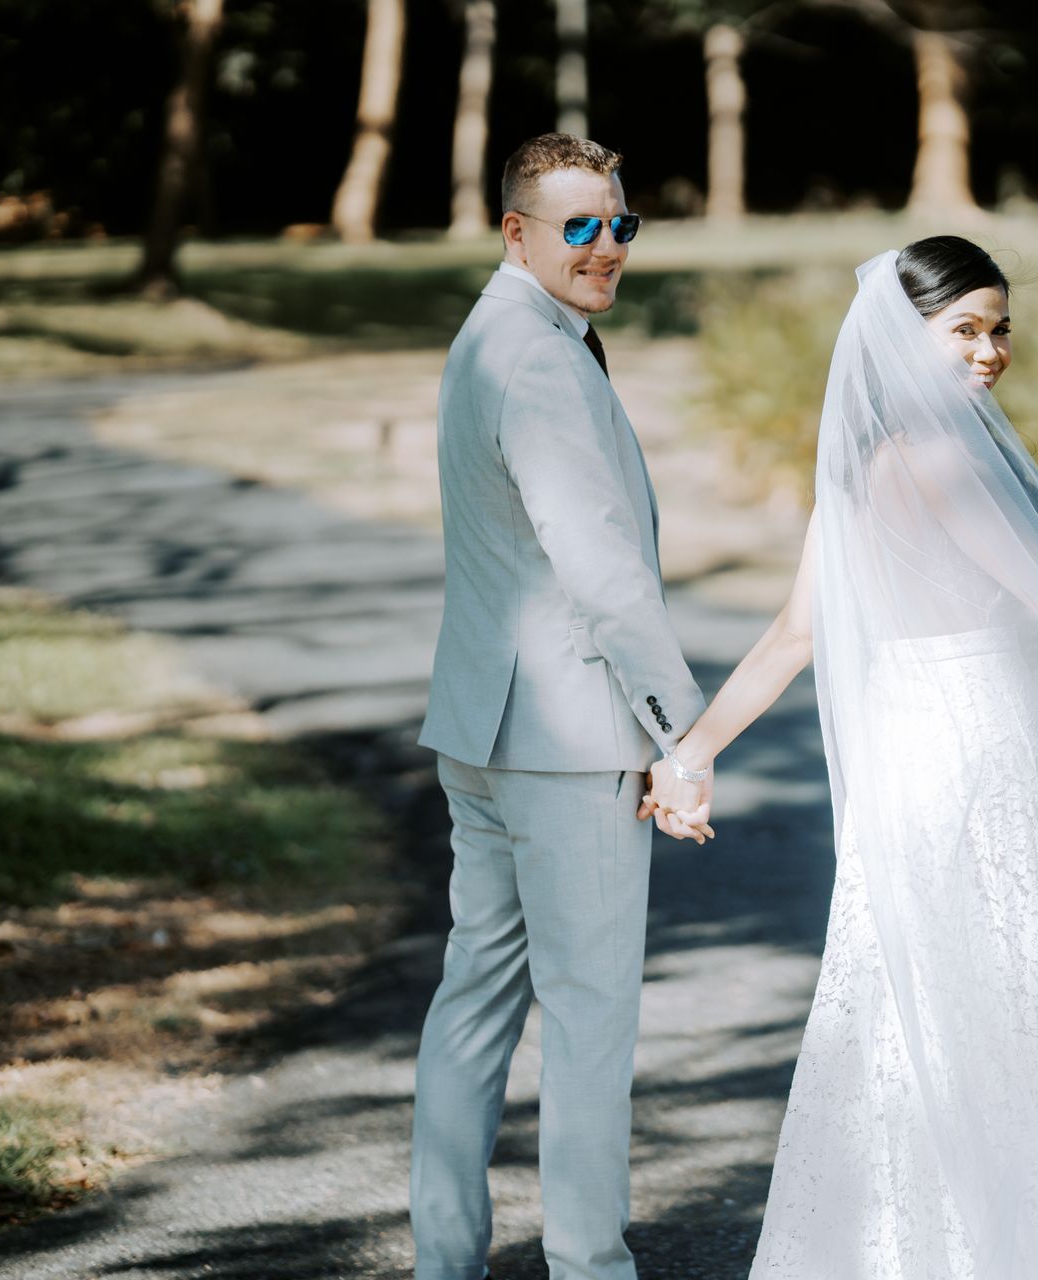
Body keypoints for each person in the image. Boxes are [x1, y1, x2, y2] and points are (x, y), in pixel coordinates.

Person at [644, 236, 1038, 1278]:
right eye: (964, 329)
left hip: (911, 754)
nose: (990, 351)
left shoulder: (864, 460)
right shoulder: (937, 460)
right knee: (1002, 1004)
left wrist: (693, 752)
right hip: (968, 749)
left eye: (1000, 329)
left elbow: (796, 634)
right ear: (905, 337)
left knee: (911, 1006)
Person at [410, 132, 710, 1280]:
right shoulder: (534, 358)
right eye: (577, 225)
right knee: (589, 1017)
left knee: (475, 998)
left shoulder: (495, 334)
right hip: (566, 738)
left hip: (485, 728)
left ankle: (446, 1261)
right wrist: (681, 732)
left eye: (619, 224)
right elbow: (598, 564)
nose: (605, 247)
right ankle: (590, 1266)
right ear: (516, 231)